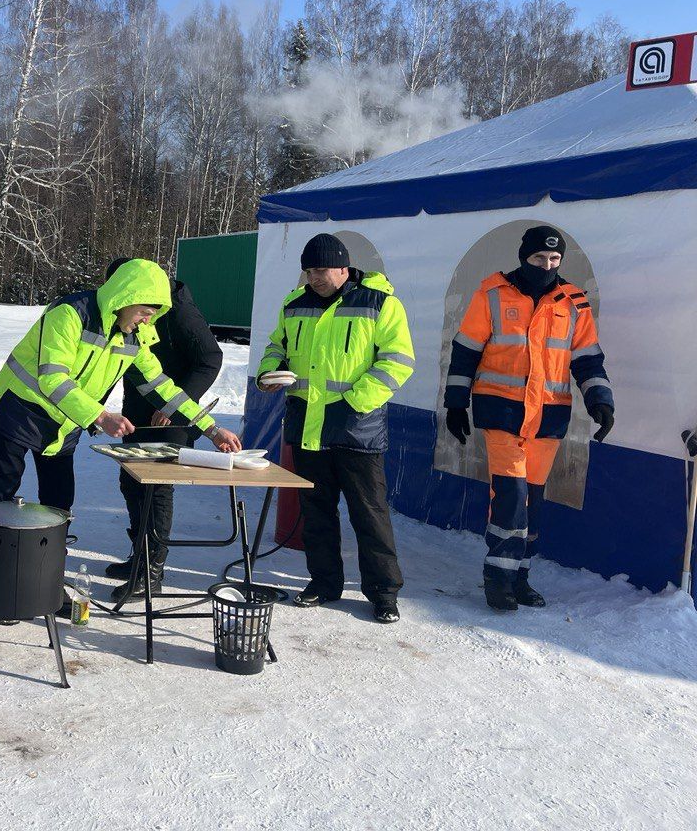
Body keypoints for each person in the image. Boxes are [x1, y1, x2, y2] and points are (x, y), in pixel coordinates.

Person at [0, 258, 242, 600]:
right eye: (146, 310)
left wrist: (211, 429)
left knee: (58, 506)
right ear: (125, 296)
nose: (149, 319)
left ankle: (45, 586)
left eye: (154, 312)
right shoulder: (70, 314)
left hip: (66, 422)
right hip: (19, 410)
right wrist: (101, 416)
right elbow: (52, 376)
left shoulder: (135, 336)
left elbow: (163, 385)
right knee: (0, 499)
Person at [443, 225, 613, 612]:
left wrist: (600, 400)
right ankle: (498, 579)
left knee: (532, 500)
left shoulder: (573, 302)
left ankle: (519, 575)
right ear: (524, 257)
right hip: (501, 411)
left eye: (554, 260)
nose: (547, 265)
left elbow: (587, 357)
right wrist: (455, 402)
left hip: (549, 417)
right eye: (539, 258)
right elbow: (466, 350)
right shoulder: (493, 293)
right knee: (511, 495)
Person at [256, 233, 414, 624]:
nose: (314, 278)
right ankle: (324, 583)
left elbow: (398, 361)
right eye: (308, 271)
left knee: (370, 514)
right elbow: (276, 346)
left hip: (357, 429)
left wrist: (355, 402)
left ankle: (383, 593)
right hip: (308, 428)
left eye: (321, 270)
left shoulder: (380, 303)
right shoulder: (294, 305)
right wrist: (267, 373)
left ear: (343, 268)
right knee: (316, 512)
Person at [103, 257, 223, 602]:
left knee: (156, 490)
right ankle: (139, 557)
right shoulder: (128, 309)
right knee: (131, 482)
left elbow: (209, 360)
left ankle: (152, 573)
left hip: (175, 413)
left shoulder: (180, 311)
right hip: (140, 408)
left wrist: (173, 405)